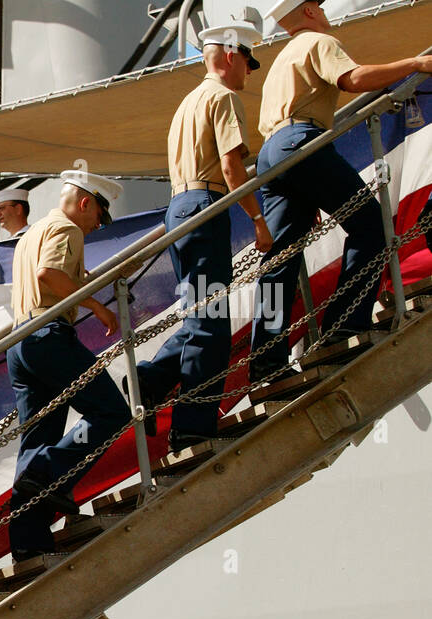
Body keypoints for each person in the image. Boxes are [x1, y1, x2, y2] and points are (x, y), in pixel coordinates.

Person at [251, 0, 432, 384]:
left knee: (280, 261)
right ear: (311, 10)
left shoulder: (282, 60)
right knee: (372, 226)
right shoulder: (318, 41)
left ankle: (266, 360)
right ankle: (342, 327)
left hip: (272, 154)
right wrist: (416, 65)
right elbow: (353, 79)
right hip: (302, 142)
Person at [135, 21, 274, 454]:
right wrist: (257, 219)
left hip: (180, 210)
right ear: (231, 56)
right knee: (210, 325)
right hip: (204, 208)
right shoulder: (224, 98)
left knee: (201, 314)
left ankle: (151, 379)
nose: (248, 73)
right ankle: (193, 423)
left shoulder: (187, 103)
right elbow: (232, 169)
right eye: (248, 64)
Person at [6, 170, 131, 560]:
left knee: (36, 439)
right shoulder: (68, 230)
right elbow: (50, 276)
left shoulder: (33, 232)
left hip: (20, 342)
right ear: (85, 203)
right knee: (110, 411)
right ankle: (51, 471)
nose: (96, 227)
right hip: (49, 336)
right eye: (99, 217)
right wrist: (95, 305)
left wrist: (86, 281)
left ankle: (28, 541)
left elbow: (50, 273)